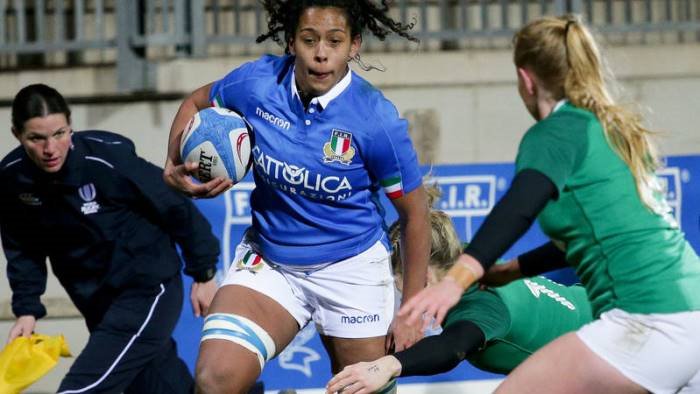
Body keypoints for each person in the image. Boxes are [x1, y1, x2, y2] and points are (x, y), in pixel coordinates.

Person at [399, 14, 700, 393]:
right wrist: (513, 269)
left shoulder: (555, 133)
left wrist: (457, 279)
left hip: (648, 317)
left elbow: (520, 206)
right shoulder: (610, 128)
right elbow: (591, 236)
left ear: (526, 79)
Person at [162, 1, 430, 393]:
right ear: (291, 42)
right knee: (214, 380)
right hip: (271, 262)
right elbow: (197, 102)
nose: (321, 53)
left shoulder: (376, 120)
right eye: (309, 40)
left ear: (354, 46)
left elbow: (415, 216)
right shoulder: (257, 84)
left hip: (350, 270)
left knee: (359, 388)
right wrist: (172, 164)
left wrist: (411, 309)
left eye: (334, 41)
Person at [0, 83, 221, 394]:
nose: (50, 148)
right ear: (16, 135)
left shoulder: (106, 160)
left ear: (70, 125)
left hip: (147, 288)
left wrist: (204, 273)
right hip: (96, 300)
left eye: (60, 134)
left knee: (82, 389)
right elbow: (22, 248)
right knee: (161, 388)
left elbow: (174, 206)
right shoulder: (12, 179)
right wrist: (27, 309)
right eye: (36, 138)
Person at [326, 188, 592, 394]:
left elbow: (451, 348)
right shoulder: (459, 256)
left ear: (425, 275)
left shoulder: (482, 305)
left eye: (398, 281)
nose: (399, 293)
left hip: (604, 350)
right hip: (592, 306)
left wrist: (384, 366)